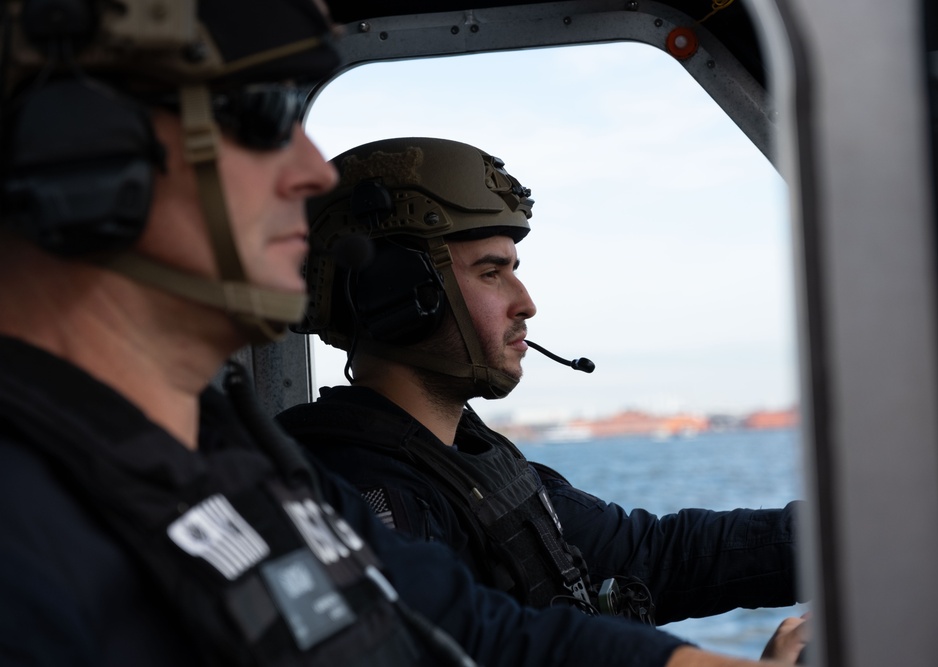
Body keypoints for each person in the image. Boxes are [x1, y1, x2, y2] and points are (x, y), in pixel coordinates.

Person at [0, 2, 803, 666]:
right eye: (264, 115)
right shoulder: (29, 525)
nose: (312, 172)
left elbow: (487, 627)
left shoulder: (234, 458)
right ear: (84, 155)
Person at [280, 136, 802, 627]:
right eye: (491, 272)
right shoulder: (362, 499)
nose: (525, 302)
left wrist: (843, 532)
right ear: (395, 293)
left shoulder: (472, 458)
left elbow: (651, 556)